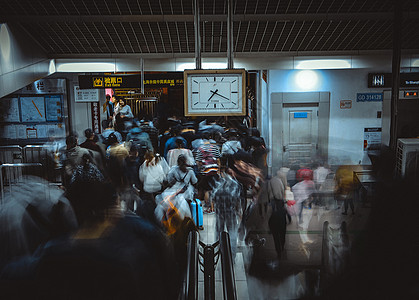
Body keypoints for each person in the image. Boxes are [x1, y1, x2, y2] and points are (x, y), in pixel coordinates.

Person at [210, 157, 242, 260]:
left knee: (218, 234)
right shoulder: (236, 185)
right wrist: (239, 212)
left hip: (220, 214)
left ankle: (218, 254)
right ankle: (231, 257)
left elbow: (212, 198)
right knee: (232, 235)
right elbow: (237, 201)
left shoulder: (218, 185)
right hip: (231, 214)